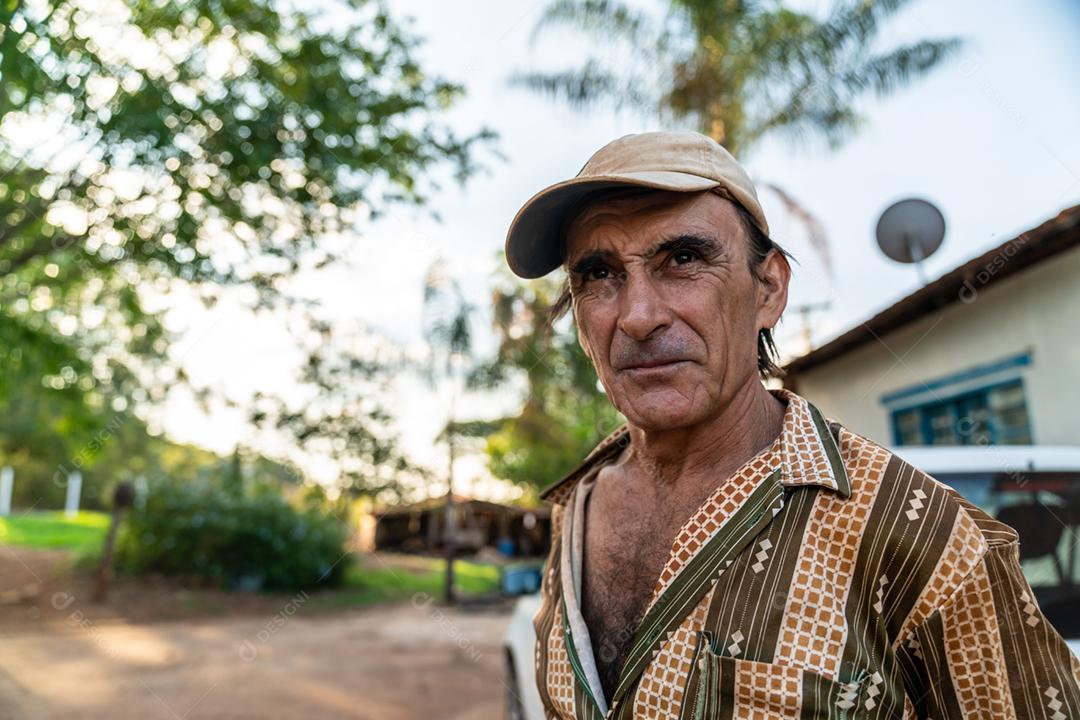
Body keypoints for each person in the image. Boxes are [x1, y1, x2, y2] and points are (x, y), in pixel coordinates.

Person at [503, 131, 1080, 719]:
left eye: (683, 258)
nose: (639, 316)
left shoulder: (926, 540)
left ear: (769, 289)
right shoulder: (577, 506)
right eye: (598, 274)